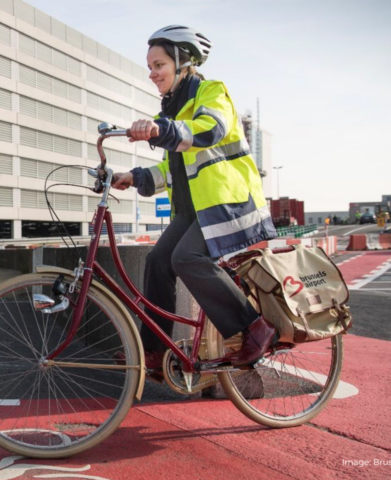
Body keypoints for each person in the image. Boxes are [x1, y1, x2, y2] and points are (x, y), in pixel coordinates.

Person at [109, 25, 278, 373]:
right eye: (150, 67)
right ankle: (154, 351)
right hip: (194, 211)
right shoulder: (171, 112)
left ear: (183, 62)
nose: (152, 73)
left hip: (228, 204)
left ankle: (254, 327)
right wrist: (135, 177)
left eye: (159, 65)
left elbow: (209, 129)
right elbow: (172, 170)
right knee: (158, 261)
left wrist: (163, 130)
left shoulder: (211, 93)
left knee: (186, 257)